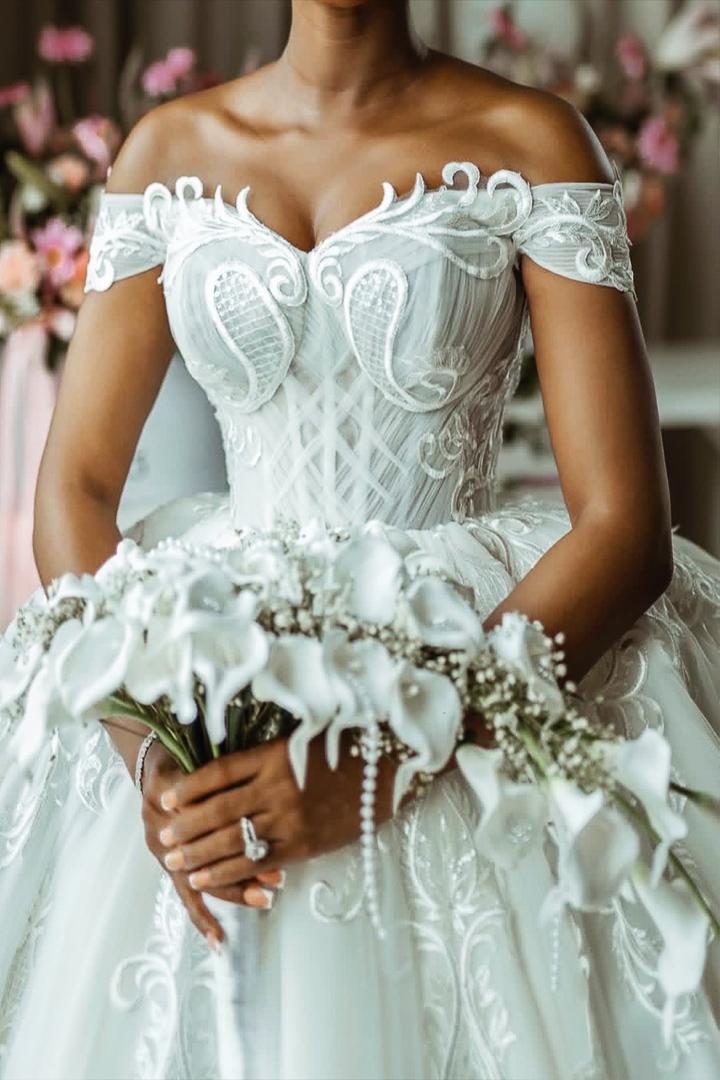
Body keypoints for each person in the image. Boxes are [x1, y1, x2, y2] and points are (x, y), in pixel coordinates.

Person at [1, 1, 719, 1077]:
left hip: (463, 637)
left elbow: (624, 525)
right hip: (217, 658)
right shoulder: (168, 151)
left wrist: (397, 750)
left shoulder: (533, 141)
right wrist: (146, 740)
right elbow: (77, 487)